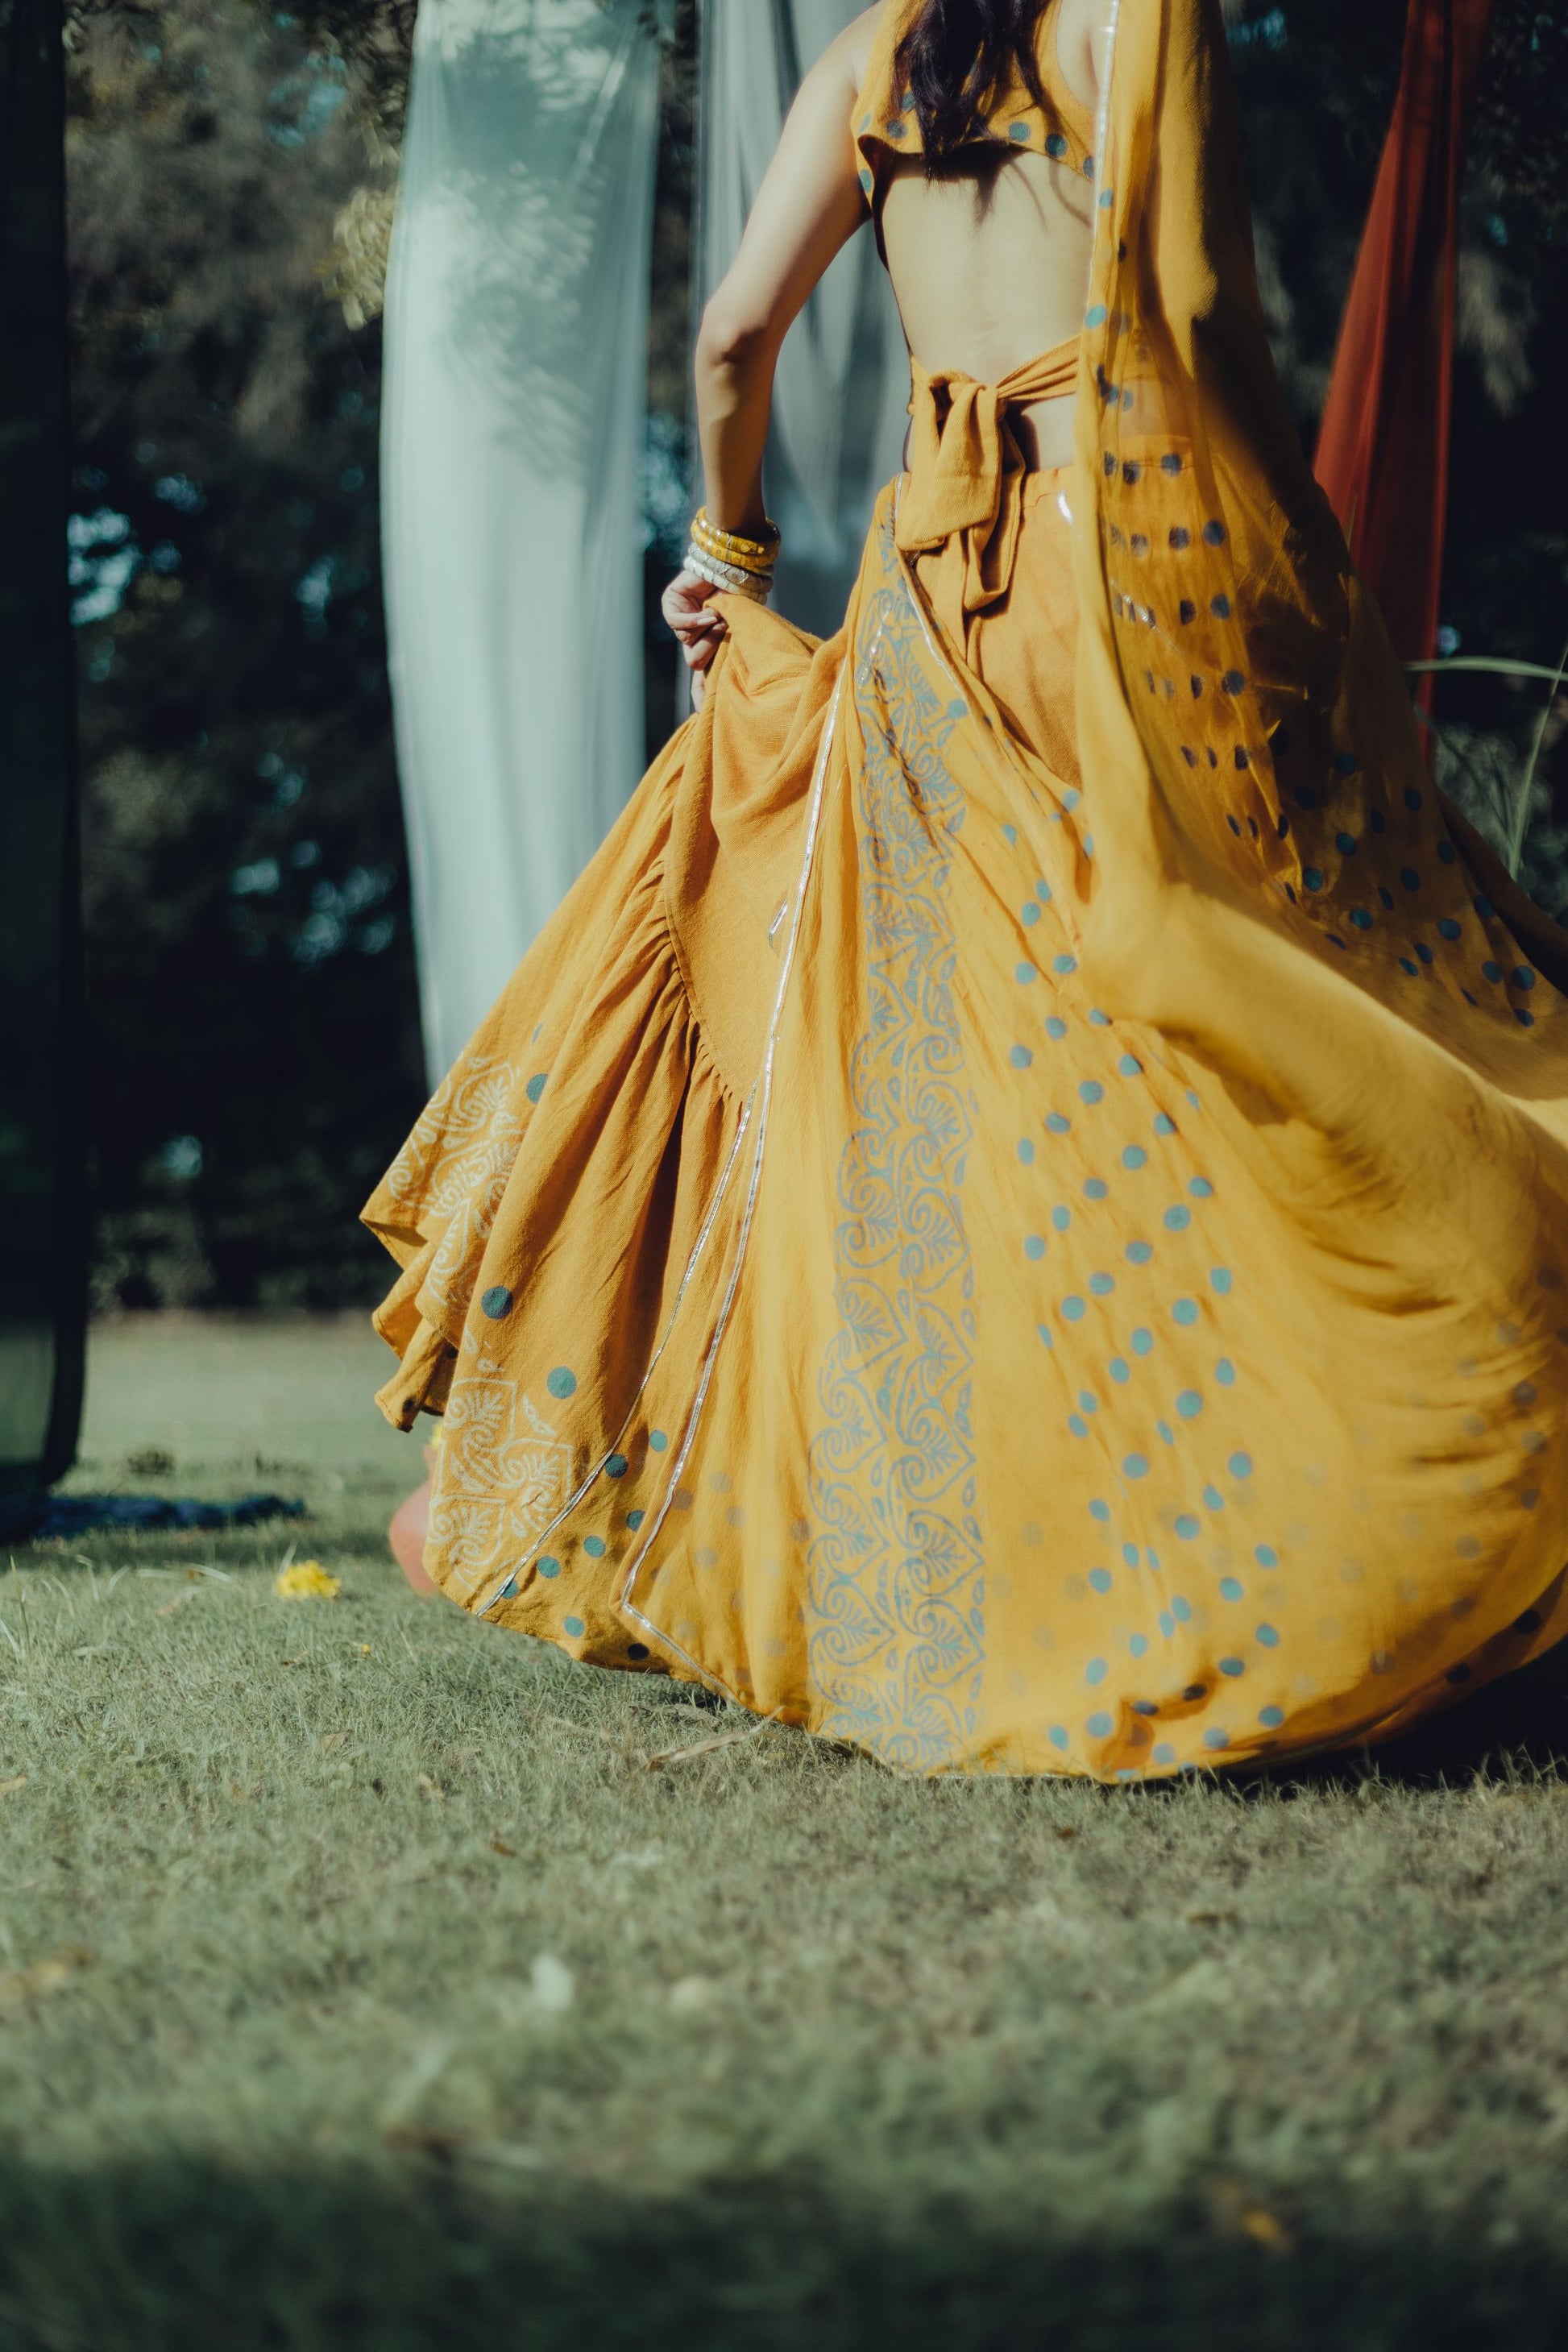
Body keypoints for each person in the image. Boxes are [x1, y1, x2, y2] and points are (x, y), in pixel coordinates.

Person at [365, 0, 1568, 1781]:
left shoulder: (880, 55)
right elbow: (1203, 316)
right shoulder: (1137, 18)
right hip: (1144, 573)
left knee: (993, 1094)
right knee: (1279, 1009)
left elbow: (726, 337)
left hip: (938, 614)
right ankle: (1379, 1491)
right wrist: (1284, 575)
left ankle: (1009, 1557)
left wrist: (726, 540)